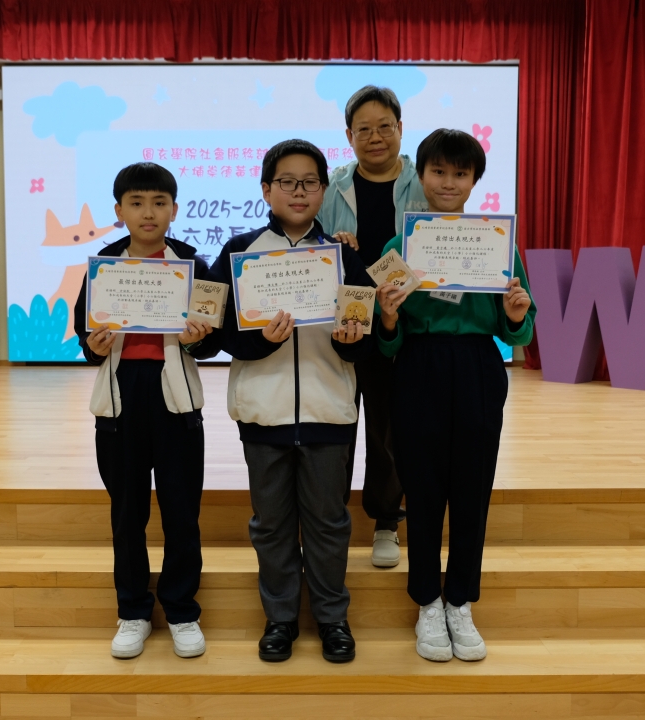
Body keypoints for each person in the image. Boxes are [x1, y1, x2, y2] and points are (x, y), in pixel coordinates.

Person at [209, 140, 376, 664]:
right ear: (266, 190)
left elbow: (366, 337)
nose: (298, 191)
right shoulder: (239, 253)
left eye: (309, 182)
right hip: (264, 413)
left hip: (329, 412)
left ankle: (332, 619)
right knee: (271, 523)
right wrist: (261, 341)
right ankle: (280, 618)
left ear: (324, 190)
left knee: (329, 523)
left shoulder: (344, 257)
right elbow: (213, 334)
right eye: (286, 181)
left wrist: (352, 341)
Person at [374, 129, 535, 663]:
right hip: (418, 367)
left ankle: (460, 600)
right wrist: (389, 317)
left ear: (474, 181)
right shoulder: (399, 247)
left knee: (472, 487)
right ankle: (427, 600)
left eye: (460, 174)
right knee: (421, 489)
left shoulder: (498, 243)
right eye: (438, 172)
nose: (448, 182)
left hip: (477, 367)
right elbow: (387, 339)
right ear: (420, 176)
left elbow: (518, 327)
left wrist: (515, 316)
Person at [73, 162, 223, 660]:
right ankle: (133, 611)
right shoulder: (104, 267)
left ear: (174, 210)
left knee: (182, 511)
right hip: (121, 398)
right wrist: (94, 345)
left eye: (159, 203)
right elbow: (87, 338)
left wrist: (196, 339)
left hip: (175, 398)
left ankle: (181, 610)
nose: (148, 212)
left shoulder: (193, 266)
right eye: (136, 203)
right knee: (127, 512)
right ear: (119, 211)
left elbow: (211, 342)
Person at [316, 85, 428, 568]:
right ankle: (329, 521)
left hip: (399, 325)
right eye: (364, 129)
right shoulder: (332, 186)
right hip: (343, 325)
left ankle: (386, 521)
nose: (375, 137)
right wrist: (332, 243)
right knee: (337, 425)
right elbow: (309, 248)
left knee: (389, 428)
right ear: (349, 135)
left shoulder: (423, 184)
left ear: (400, 128)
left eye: (385, 127)